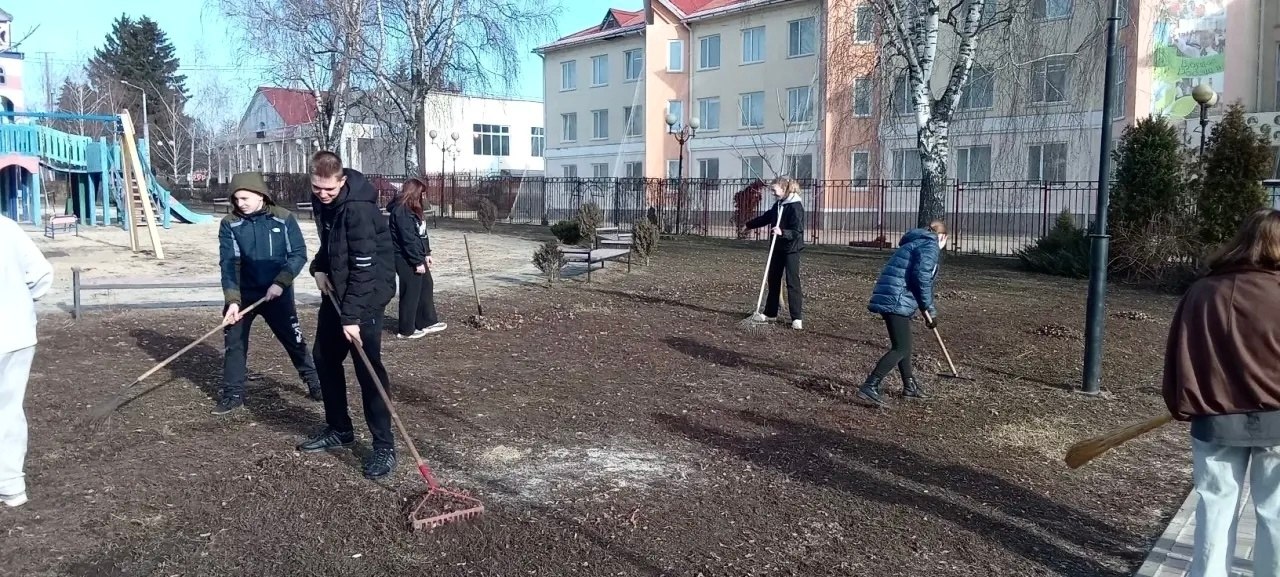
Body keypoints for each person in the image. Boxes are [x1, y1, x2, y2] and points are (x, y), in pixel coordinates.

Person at [1163, 208, 1280, 577]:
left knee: (1214, 508)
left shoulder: (1202, 292)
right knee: (1276, 513)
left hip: (1215, 420)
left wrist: (1180, 401)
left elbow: (1180, 351)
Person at [296, 151, 400, 479]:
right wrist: (319, 269)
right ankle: (339, 429)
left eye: (329, 189)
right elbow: (331, 246)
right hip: (339, 290)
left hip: (366, 295)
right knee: (324, 358)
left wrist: (352, 316)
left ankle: (384, 446)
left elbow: (364, 267)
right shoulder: (322, 202)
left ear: (342, 181)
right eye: (316, 188)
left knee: (367, 370)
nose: (322, 194)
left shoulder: (359, 211)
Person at [214, 171, 321, 415]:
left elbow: (298, 254)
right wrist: (232, 301)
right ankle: (233, 395)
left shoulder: (284, 219)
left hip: (277, 293)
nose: (240, 204)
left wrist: (281, 283)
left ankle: (314, 381)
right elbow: (229, 263)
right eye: (237, 199)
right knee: (234, 344)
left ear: (261, 195)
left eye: (245, 198)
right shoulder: (230, 224)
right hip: (243, 296)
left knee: (294, 340)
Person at [857, 220, 947, 408]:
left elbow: (917, 277)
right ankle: (870, 385)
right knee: (902, 348)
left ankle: (909, 386)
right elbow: (921, 279)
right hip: (896, 299)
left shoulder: (915, 242)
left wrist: (924, 307)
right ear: (943, 237)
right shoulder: (930, 246)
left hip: (895, 297)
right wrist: (929, 309)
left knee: (904, 345)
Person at [0, 213, 53, 508]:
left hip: (13, 333)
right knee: (8, 408)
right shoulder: (7, 226)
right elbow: (42, 275)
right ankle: (11, 485)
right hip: (17, 333)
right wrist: (17, 302)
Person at [386, 177, 446, 339]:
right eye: (421, 193)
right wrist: (416, 261)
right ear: (414, 192)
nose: (423, 197)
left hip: (417, 255)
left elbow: (421, 234)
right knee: (411, 291)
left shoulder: (414, 209)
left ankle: (426, 321)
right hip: (404, 258)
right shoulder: (401, 211)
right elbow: (408, 239)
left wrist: (426, 254)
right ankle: (406, 329)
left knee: (426, 284)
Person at [744, 177, 805, 329]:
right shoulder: (778, 205)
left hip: (791, 250)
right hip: (776, 248)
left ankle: (797, 318)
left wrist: (782, 232)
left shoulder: (795, 206)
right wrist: (748, 225)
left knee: (792, 282)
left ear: (784, 189)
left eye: (774, 190)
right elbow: (766, 218)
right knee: (773, 280)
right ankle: (770, 313)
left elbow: (797, 232)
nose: (772, 193)